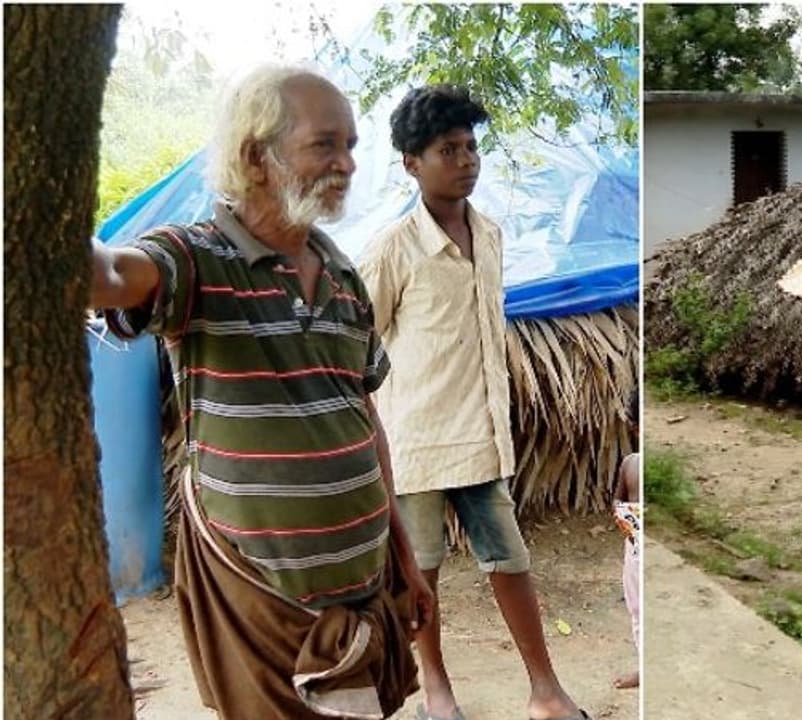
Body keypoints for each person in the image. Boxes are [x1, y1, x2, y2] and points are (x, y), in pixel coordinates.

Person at [90, 65, 432, 719]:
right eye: (325, 144)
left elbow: (361, 413)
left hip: (365, 591)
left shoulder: (341, 271)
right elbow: (110, 274)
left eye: (352, 146)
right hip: (259, 599)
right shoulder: (196, 259)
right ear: (255, 155)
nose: (348, 164)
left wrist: (403, 561)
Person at [358, 85, 586, 720]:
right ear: (411, 163)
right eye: (447, 149)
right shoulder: (392, 249)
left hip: (483, 440)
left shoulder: (489, 235)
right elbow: (359, 344)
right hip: (419, 443)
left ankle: (545, 689)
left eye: (471, 147)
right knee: (421, 574)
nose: (465, 161)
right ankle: (436, 688)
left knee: (510, 560)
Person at [611, 451, 641, 690]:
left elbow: (617, 502)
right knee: (638, 610)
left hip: (640, 546)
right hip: (635, 546)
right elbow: (618, 502)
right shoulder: (630, 463)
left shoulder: (634, 463)